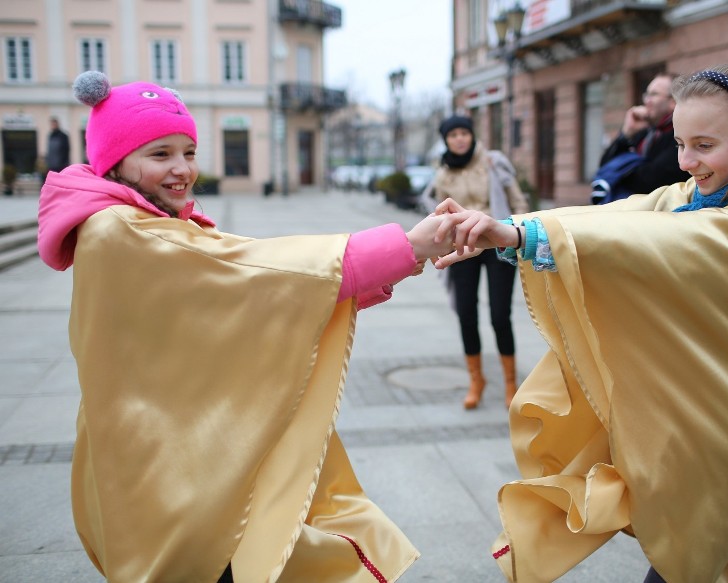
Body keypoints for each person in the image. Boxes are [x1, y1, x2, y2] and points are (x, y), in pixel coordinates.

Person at [432, 61, 728, 582]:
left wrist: (520, 236)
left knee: (698, 548)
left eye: (703, 145)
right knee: (686, 547)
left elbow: (676, 240)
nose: (686, 161)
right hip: (693, 409)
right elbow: (622, 217)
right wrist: (514, 229)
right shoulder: (699, 197)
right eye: (679, 143)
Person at [37, 71, 455, 583]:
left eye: (188, 152)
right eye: (160, 153)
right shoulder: (118, 229)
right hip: (168, 464)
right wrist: (406, 247)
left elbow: (239, 296)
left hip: (177, 446)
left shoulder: (141, 221)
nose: (182, 169)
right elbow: (256, 273)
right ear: (115, 160)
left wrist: (394, 261)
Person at [422, 114, 529, 409]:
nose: (459, 139)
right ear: (445, 140)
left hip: (497, 243)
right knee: (466, 313)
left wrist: (518, 230)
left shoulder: (493, 162)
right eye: (453, 134)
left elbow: (517, 200)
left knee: (499, 315)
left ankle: (510, 383)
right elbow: (439, 212)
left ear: (472, 135)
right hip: (463, 246)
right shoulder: (443, 174)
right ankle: (476, 381)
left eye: (464, 133)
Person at [592, 72, 690, 204]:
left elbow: (650, 181)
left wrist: (619, 172)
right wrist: (627, 133)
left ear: (672, 101)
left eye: (653, 94)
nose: (646, 101)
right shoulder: (645, 132)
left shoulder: (681, 134)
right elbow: (605, 165)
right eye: (646, 94)